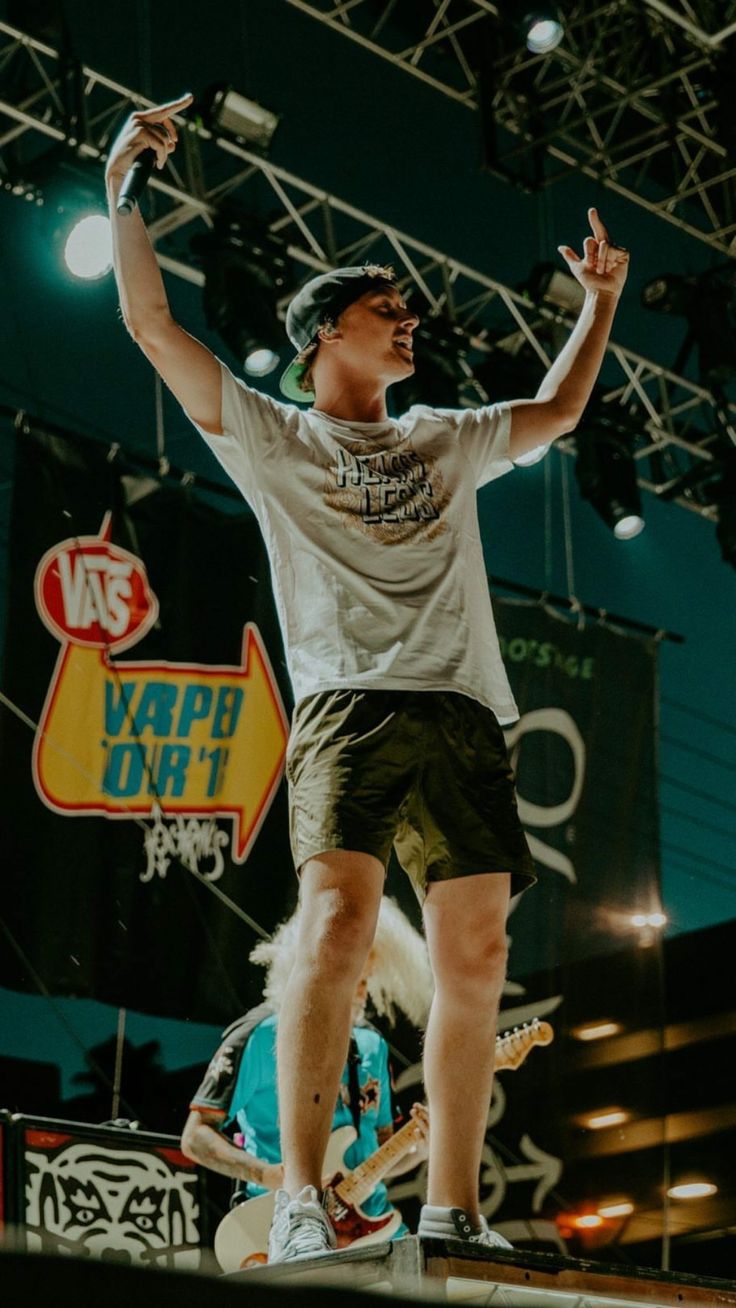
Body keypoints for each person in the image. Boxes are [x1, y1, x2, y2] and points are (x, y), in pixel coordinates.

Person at [105, 94, 630, 1263]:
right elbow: (151, 324)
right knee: (334, 924)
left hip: (466, 714)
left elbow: (556, 410)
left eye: (407, 312)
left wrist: (595, 304)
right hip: (348, 709)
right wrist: (122, 183)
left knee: (477, 956)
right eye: (382, 312)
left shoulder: (444, 435)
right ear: (320, 337)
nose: (407, 325)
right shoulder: (272, 437)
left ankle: (453, 1206)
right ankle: (299, 1192)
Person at [181, 897, 432, 1258]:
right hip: (277, 1224)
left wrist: (417, 1150)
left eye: (365, 980)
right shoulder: (260, 1034)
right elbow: (196, 1136)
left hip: (372, 1228)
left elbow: (377, 1157)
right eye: (351, 976)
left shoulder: (372, 1046)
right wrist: (270, 1175)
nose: (358, 990)